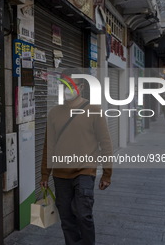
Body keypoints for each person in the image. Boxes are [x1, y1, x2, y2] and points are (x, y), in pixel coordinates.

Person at [40, 77, 113, 245]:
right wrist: (45, 174)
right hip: (60, 175)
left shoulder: (94, 110)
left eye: (70, 86)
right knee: (66, 217)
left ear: (80, 87)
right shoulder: (55, 113)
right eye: (62, 86)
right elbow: (48, 145)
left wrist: (107, 174)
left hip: (85, 172)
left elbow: (105, 143)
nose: (66, 89)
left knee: (83, 214)